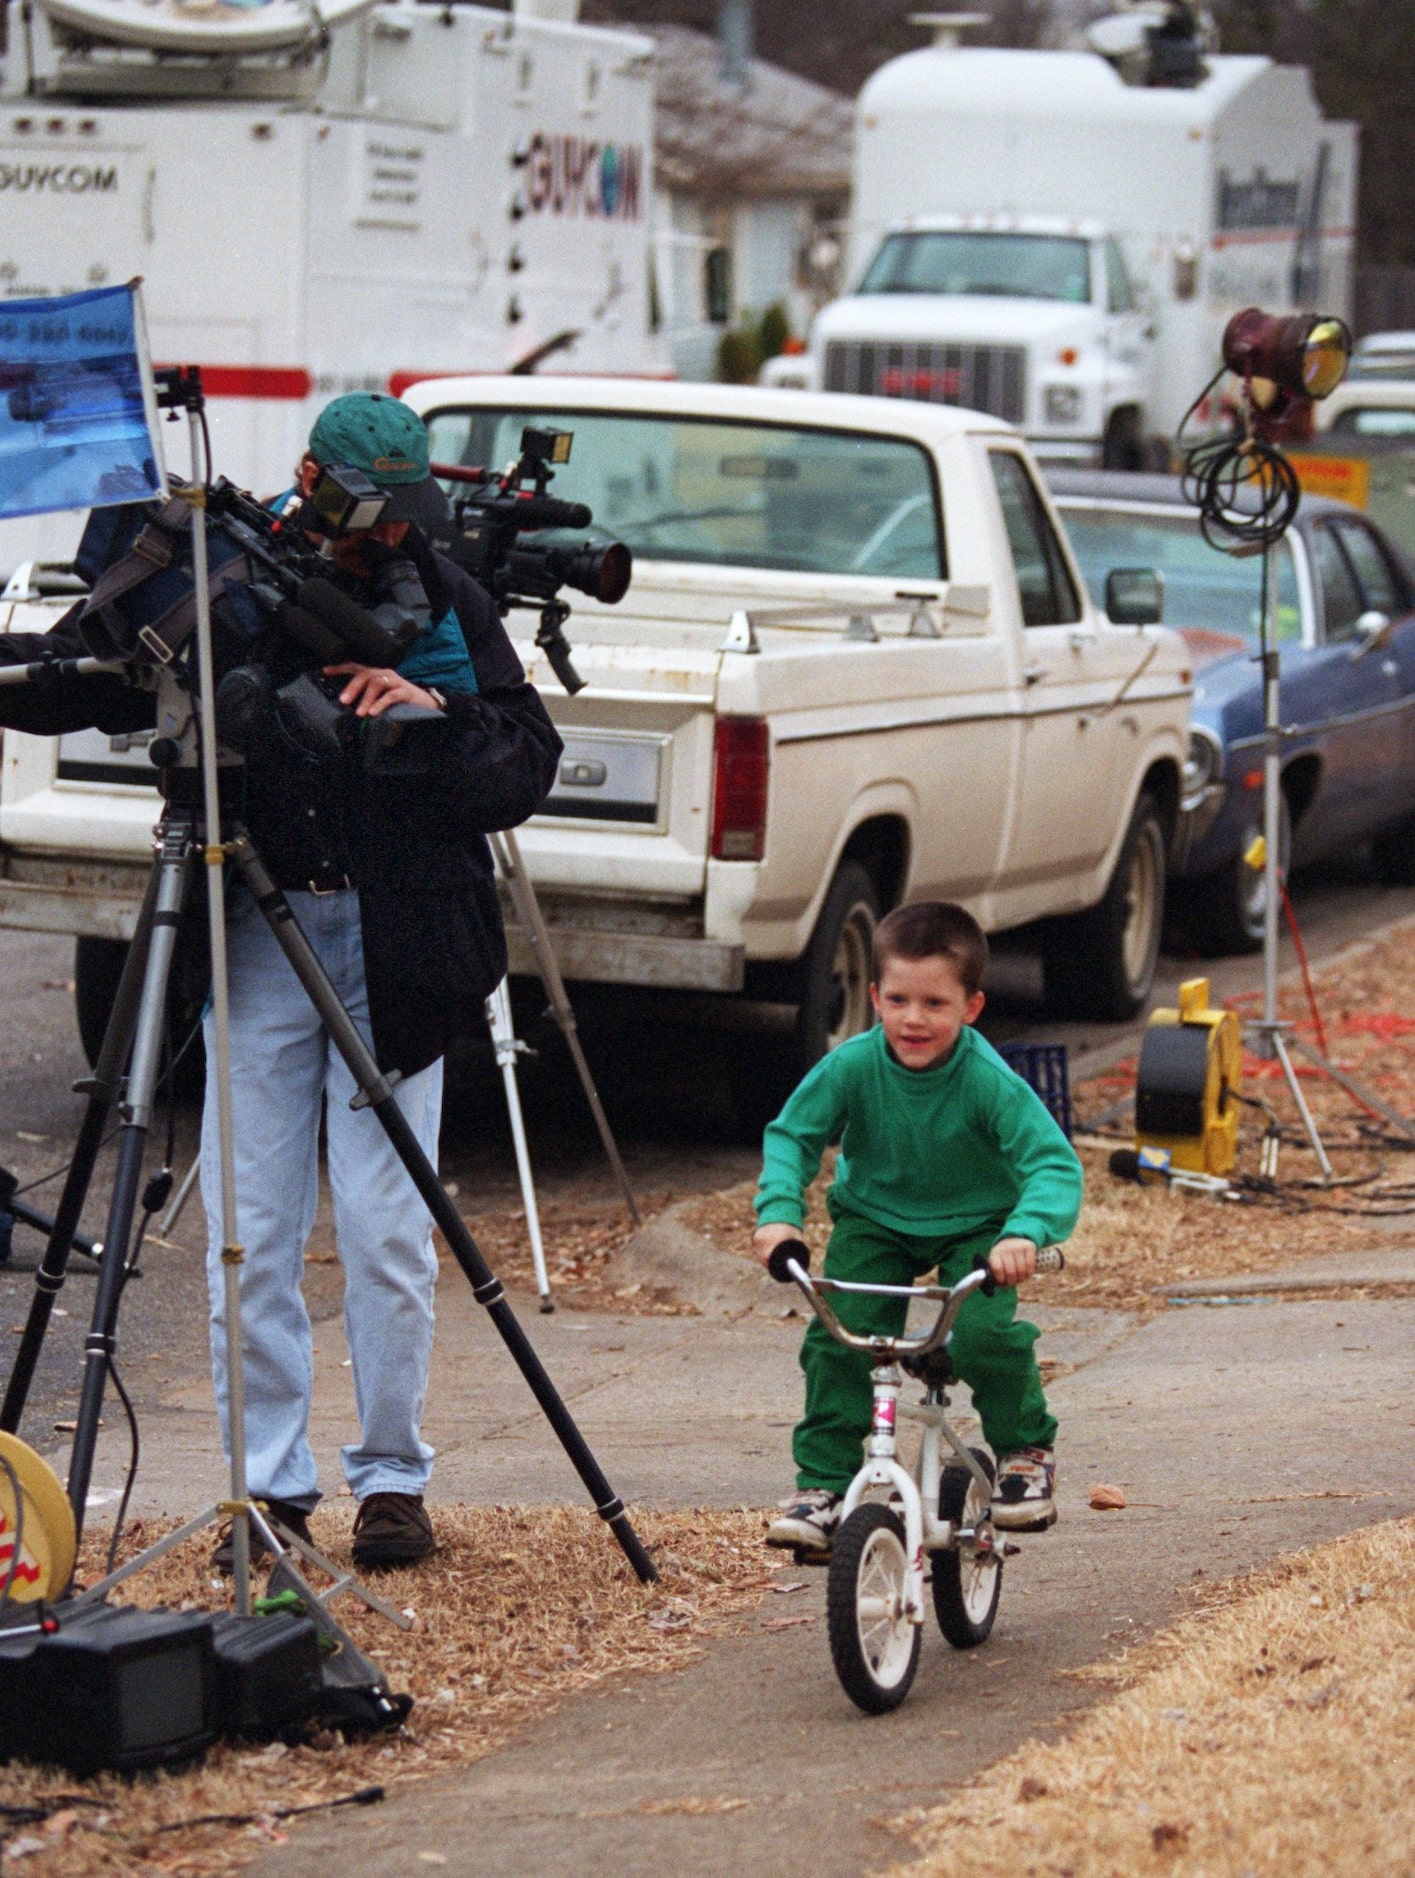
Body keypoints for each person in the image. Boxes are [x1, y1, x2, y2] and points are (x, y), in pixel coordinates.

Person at [0, 391, 561, 1572]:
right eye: (366, 518)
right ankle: (268, 1488)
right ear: (309, 479)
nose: (390, 540)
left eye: (403, 518)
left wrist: (431, 711)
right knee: (246, 1235)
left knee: (388, 1227)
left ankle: (394, 1480)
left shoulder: (444, 596)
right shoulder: (226, 576)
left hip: (397, 944)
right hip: (254, 928)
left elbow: (525, 757)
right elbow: (93, 678)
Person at [752, 901, 1083, 1553]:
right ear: (873, 996)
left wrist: (1025, 1232)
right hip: (875, 1221)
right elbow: (792, 1135)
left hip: (978, 1230)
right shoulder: (852, 1065)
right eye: (898, 999)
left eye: (934, 1003)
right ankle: (822, 1486)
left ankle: (1023, 1451)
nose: (913, 1018)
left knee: (983, 1334)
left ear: (971, 1008)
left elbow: (1051, 1162)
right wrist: (778, 1214)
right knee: (838, 1334)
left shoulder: (987, 1082)